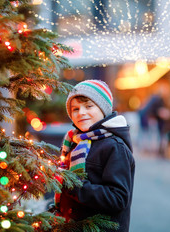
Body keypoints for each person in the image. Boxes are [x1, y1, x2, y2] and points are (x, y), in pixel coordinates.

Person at [55, 80, 135, 231]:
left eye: (88, 106)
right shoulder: (75, 141)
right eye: (75, 109)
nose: (81, 113)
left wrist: (72, 185)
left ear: (103, 109)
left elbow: (117, 198)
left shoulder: (114, 146)